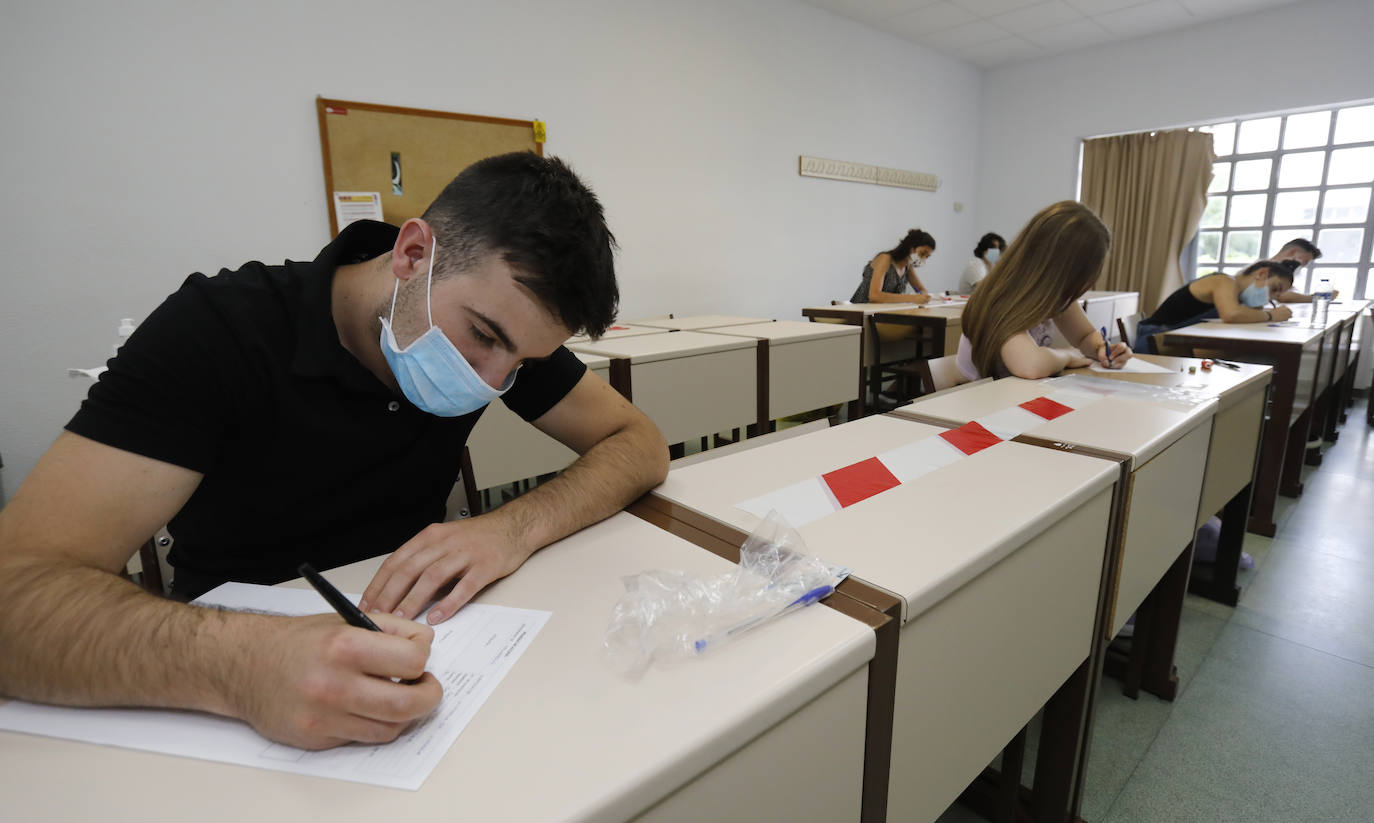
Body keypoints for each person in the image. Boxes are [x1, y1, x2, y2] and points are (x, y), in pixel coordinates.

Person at [0, 152, 669, 750]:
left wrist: (509, 528)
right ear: (412, 255)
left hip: (416, 644)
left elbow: (637, 443)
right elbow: (15, 595)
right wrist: (243, 664)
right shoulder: (221, 330)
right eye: (483, 337)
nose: (490, 383)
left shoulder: (504, 328)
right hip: (214, 680)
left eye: (523, 362)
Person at [957, 201, 1131, 381]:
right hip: (980, 401)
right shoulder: (1000, 299)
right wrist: (1068, 355)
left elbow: (1084, 336)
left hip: (1013, 396)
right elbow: (1030, 365)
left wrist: (1102, 349)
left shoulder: (1055, 296)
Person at [1132, 260, 1294, 353]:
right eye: (1274, 289)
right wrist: (1272, 315)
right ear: (1262, 273)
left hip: (1174, 343)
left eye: (1276, 296)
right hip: (1153, 341)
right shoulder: (1224, 281)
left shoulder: (1238, 296)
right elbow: (1231, 315)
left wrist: (1259, 304)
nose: (1271, 297)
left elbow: (1246, 314)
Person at [849, 228, 935, 304]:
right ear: (911, 247)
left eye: (927, 256)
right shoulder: (885, 259)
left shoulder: (908, 267)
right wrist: (912, 298)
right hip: (861, 312)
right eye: (922, 253)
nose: (923, 259)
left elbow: (921, 289)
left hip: (884, 313)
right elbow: (874, 296)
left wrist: (924, 296)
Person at [1268, 238, 1336, 303]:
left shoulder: (1283, 273)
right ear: (1292, 252)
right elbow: (1281, 295)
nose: (1303, 265)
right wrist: (1319, 297)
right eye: (1305, 261)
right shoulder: (1265, 269)